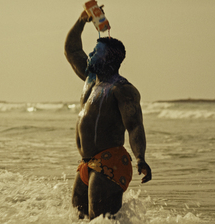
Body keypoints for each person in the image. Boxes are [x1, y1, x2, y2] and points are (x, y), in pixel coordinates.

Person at [64, 8, 152, 220]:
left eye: (96, 51)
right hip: (87, 162)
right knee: (79, 218)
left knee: (101, 221)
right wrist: (82, 20)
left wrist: (140, 157)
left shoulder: (122, 90)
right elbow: (71, 50)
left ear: (110, 59)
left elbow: (135, 126)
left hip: (110, 162)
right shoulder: (90, 79)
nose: (91, 54)